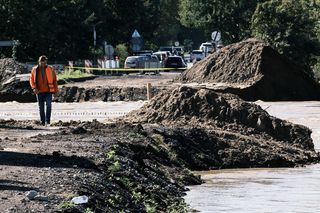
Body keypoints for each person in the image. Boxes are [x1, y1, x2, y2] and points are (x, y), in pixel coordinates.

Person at [29, 55, 58, 126]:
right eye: (41, 63)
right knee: (41, 107)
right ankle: (42, 122)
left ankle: (47, 121)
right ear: (39, 62)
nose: (43, 64)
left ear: (46, 62)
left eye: (44, 63)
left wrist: (56, 90)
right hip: (39, 91)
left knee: (49, 105)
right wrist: (34, 88)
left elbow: (55, 80)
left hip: (48, 91)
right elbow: (31, 80)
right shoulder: (34, 69)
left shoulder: (51, 69)